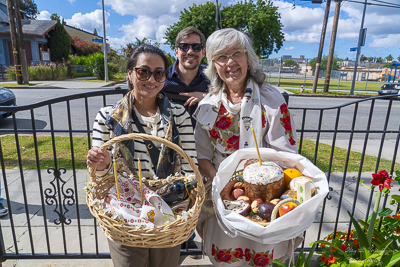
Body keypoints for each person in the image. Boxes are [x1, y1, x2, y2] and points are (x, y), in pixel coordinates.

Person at [193, 28, 302, 266]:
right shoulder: (208, 105)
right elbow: (202, 156)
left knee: (261, 254)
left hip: (265, 194)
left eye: (236, 54)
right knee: (228, 257)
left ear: (248, 58)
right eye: (221, 57)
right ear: (214, 65)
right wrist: (222, 186)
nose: (230, 62)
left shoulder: (271, 100)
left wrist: (258, 185)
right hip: (223, 193)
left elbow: (286, 153)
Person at [86, 44, 197, 267]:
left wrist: (183, 200)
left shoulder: (178, 114)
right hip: (125, 211)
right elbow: (101, 176)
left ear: (165, 76)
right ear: (129, 74)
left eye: (159, 73)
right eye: (143, 71)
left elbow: (189, 164)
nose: (151, 79)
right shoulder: (108, 116)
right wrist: (102, 163)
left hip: (168, 209)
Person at [163, 26, 209, 126]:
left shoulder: (212, 76)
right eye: (184, 46)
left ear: (203, 52)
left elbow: (232, 94)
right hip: (170, 139)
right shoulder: (162, 78)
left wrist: (207, 96)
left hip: (203, 139)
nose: (190, 51)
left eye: (196, 47)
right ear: (176, 52)